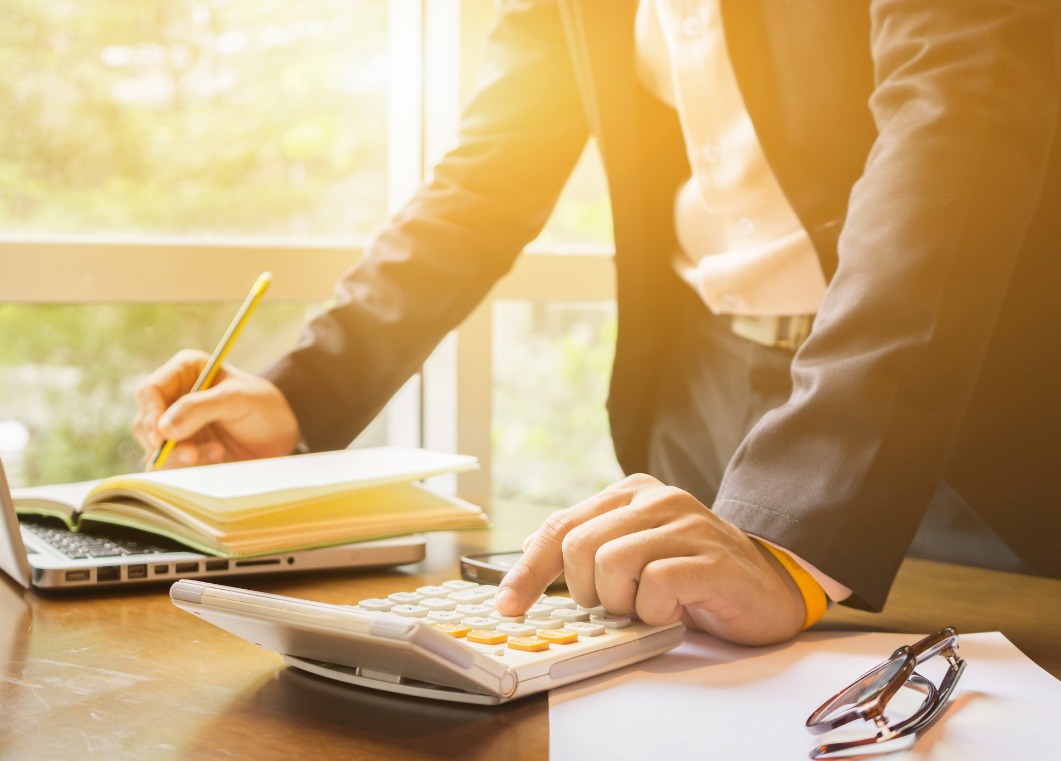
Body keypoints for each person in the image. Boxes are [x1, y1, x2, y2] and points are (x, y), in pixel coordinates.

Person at [134, 1, 1061, 646]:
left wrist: (793, 529)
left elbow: (958, 121)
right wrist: (301, 391)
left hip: (964, 407)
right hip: (707, 400)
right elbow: (489, 174)